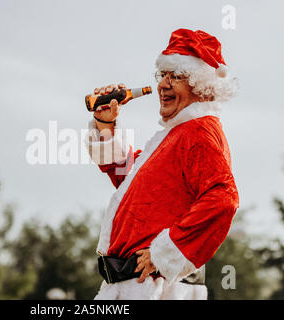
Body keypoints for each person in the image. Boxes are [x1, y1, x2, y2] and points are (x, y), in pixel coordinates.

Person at [84, 28, 239, 300]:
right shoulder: (175, 134)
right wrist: (105, 126)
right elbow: (129, 178)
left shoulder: (199, 132)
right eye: (162, 75)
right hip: (138, 287)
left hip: (156, 289)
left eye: (176, 76)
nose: (163, 85)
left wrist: (164, 254)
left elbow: (223, 199)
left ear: (200, 86)